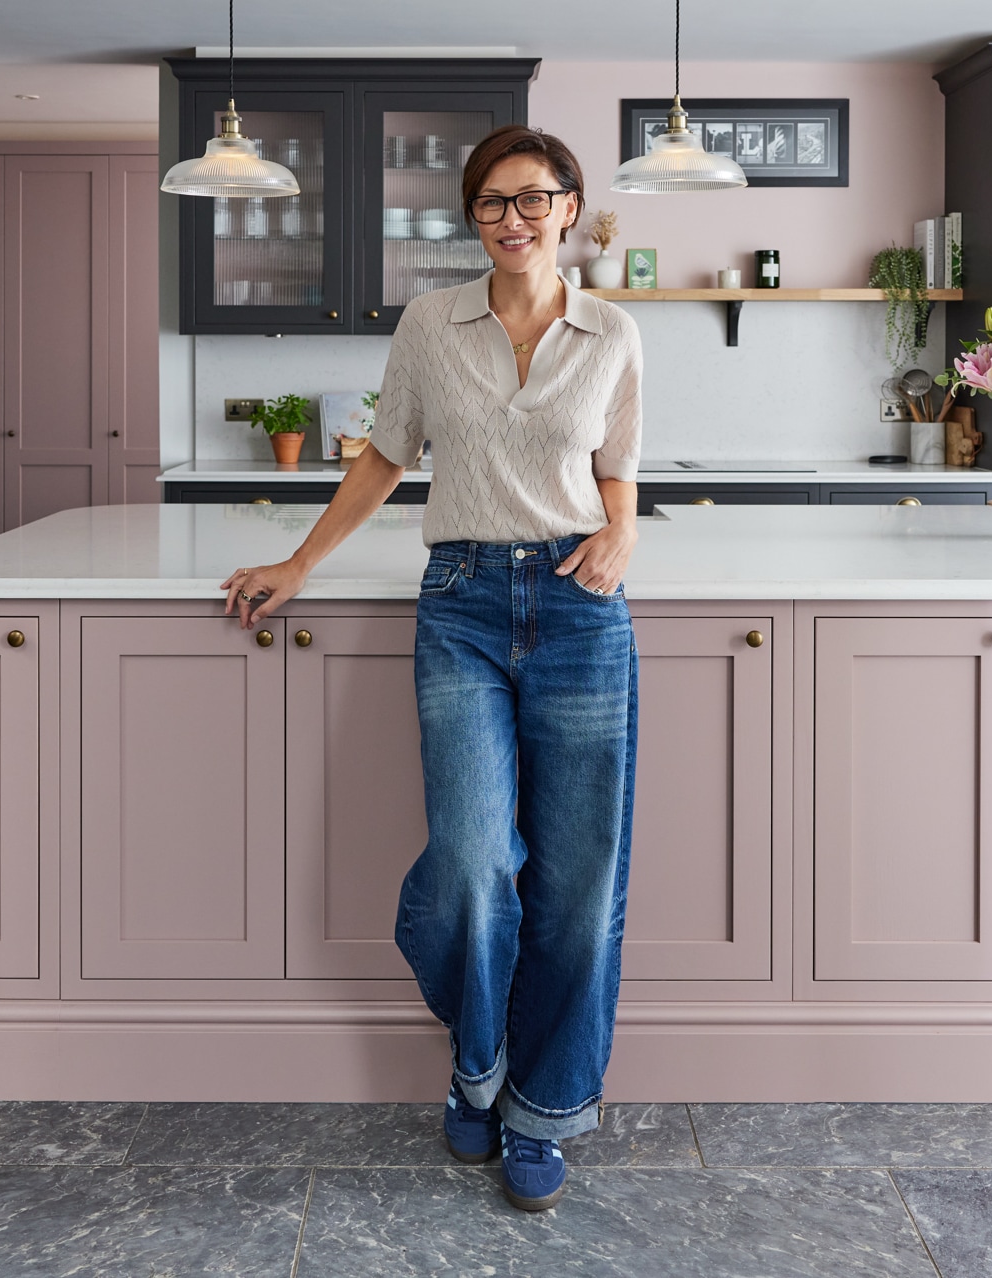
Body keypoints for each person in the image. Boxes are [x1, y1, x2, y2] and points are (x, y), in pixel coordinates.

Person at [219, 124, 640, 1214]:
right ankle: (477, 1062)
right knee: (466, 862)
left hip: (579, 607)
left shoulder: (611, 330)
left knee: (580, 884)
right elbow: (384, 458)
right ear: (473, 217)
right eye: (492, 203)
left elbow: (617, 469)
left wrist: (621, 534)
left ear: (569, 205)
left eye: (533, 199)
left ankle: (543, 1108)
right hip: (458, 602)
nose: (512, 220)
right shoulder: (428, 324)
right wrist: (300, 561)